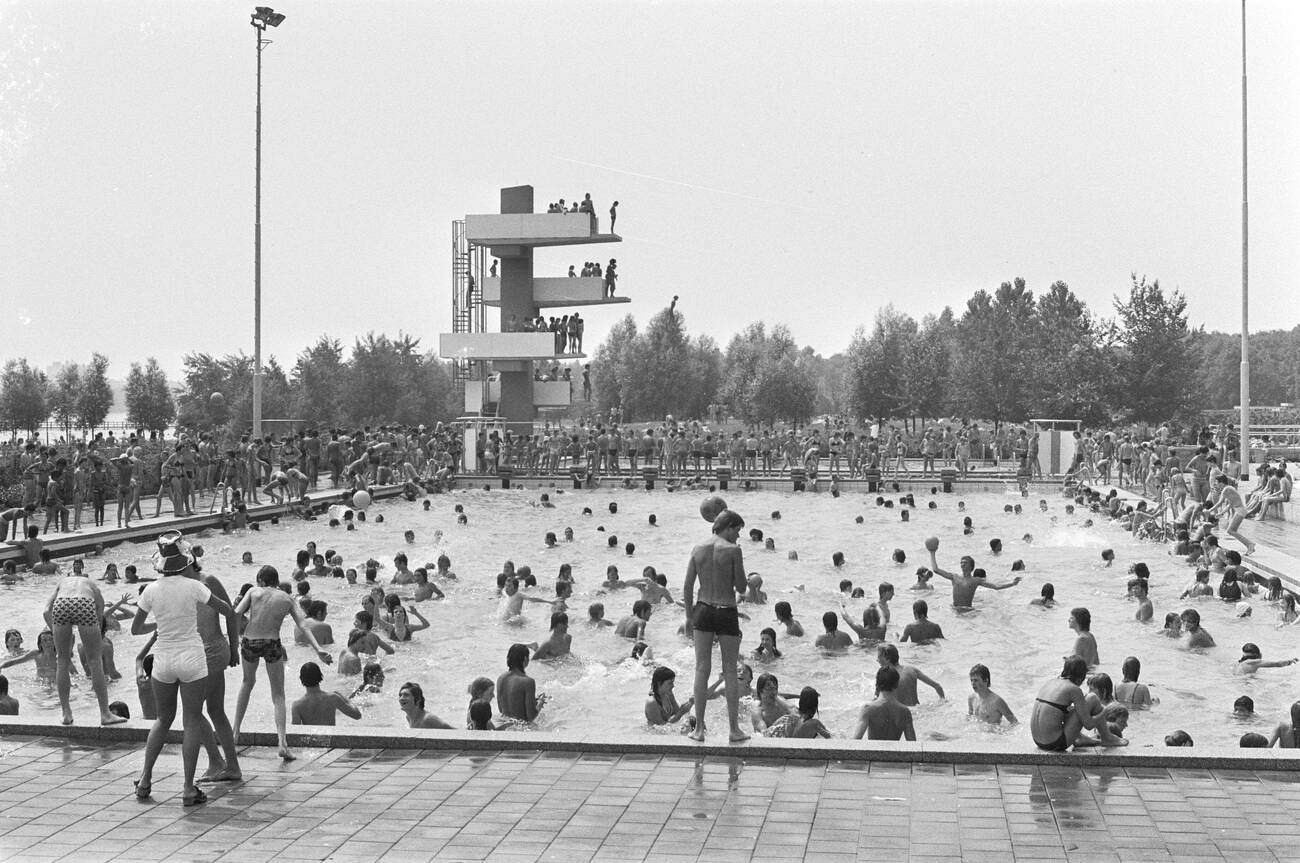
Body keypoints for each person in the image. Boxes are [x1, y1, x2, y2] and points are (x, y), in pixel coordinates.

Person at [131, 533, 238, 806]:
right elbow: (228, 610)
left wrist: (160, 625)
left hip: (163, 660)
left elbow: (135, 629)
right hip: (192, 658)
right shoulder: (195, 586)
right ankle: (188, 788)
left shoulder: (152, 589)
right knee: (191, 720)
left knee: (162, 720)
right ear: (186, 560)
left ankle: (145, 780)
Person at [233, 565, 334, 761]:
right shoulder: (287, 598)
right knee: (278, 694)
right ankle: (282, 743)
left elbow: (236, 614)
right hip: (272, 643)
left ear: (261, 581)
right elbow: (303, 624)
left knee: (247, 683)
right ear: (276, 582)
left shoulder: (253, 591)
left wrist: (232, 642)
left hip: (250, 641)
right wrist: (318, 649)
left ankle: (235, 734)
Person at [682, 509, 750, 743]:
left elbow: (688, 586)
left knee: (701, 669)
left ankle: (699, 729)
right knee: (730, 670)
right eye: (737, 530)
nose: (738, 536)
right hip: (726, 610)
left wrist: (688, 616)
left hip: (703, 609)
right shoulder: (733, 550)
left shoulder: (697, 548)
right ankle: (734, 729)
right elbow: (741, 587)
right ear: (728, 527)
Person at [43, 560, 125, 726]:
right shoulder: (91, 584)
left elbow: (46, 611)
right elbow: (100, 613)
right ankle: (105, 714)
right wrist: (96, 635)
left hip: (61, 605)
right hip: (84, 604)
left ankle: (66, 714)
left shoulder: (62, 583)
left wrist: (57, 632)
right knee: (95, 661)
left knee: (62, 661)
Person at [1030, 656, 1126, 751]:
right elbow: (1089, 725)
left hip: (1038, 741)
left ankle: (1081, 738)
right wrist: (1105, 711)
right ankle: (1107, 738)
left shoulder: (1050, 683)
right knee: (1092, 698)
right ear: (1081, 676)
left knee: (1070, 709)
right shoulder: (1074, 689)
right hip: (1056, 743)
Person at [927, 541, 1021, 609]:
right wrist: (932, 553)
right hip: (955, 610)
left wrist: (1012, 583)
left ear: (971, 566)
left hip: (968, 611)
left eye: (965, 563)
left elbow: (996, 586)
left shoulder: (975, 580)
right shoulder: (954, 577)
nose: (962, 564)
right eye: (961, 562)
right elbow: (936, 570)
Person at [853, 665, 916, 741]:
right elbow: (913, 743)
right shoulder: (905, 712)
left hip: (874, 749)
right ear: (896, 684)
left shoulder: (868, 709)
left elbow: (855, 741)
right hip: (894, 749)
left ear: (877, 684)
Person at [291, 661, 362, 726]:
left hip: (311, 736)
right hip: (330, 736)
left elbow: (295, 731)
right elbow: (357, 715)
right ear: (320, 675)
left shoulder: (297, 706)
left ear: (301, 679)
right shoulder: (333, 698)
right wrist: (346, 699)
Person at [876, 643, 943, 707]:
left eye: (879, 657)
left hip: (902, 713)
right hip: (919, 710)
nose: (877, 660)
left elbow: (877, 700)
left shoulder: (885, 676)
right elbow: (937, 686)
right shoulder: (912, 669)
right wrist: (942, 702)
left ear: (887, 659)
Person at [497, 643, 547, 722]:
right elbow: (531, 716)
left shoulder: (501, 678)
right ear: (525, 659)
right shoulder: (528, 682)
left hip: (504, 723)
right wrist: (540, 703)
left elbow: (501, 709)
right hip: (521, 726)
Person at [1208, 474, 1256, 555]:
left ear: (1221, 482)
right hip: (1239, 510)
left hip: (1240, 511)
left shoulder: (1226, 489)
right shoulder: (1229, 488)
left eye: (1217, 482)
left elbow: (1220, 503)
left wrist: (1209, 511)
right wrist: (1221, 513)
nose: (1216, 484)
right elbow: (1230, 504)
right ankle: (1249, 545)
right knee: (1232, 531)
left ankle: (1250, 544)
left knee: (1230, 530)